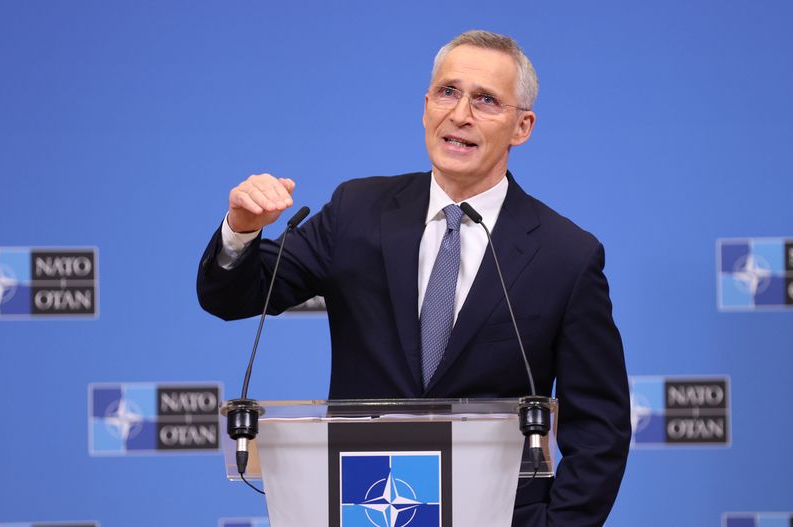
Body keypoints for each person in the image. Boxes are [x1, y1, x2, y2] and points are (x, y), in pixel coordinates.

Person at [198, 30, 630, 527]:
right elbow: (233, 295)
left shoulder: (566, 255)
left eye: (486, 100)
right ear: (426, 106)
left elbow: (600, 427)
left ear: (522, 127)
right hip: (361, 508)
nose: (460, 114)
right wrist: (241, 230)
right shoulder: (356, 212)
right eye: (448, 92)